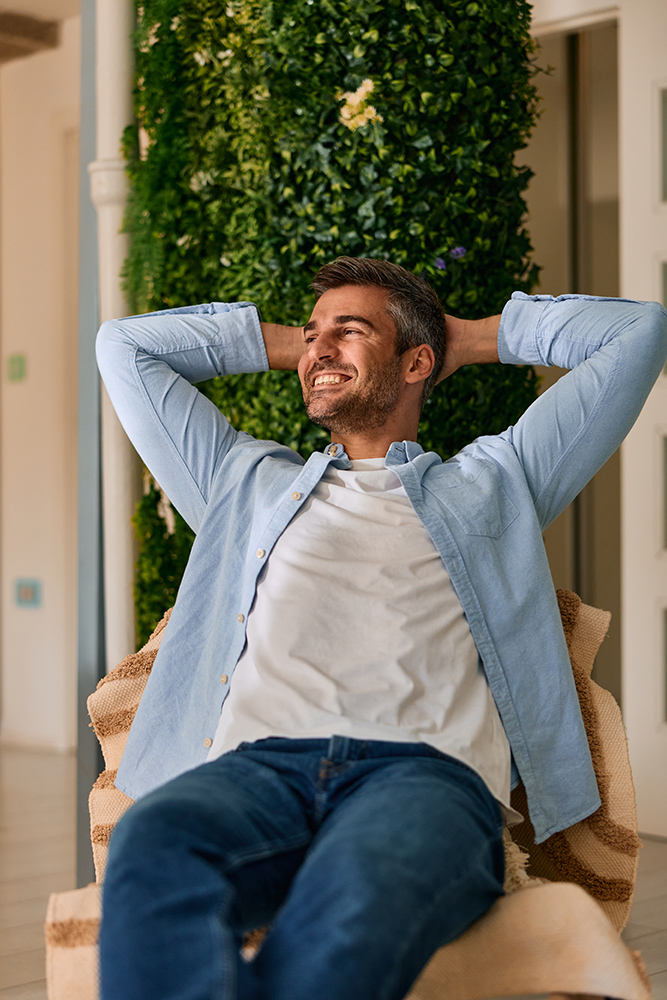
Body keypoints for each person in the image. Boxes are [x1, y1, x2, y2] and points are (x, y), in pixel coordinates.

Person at [96, 256, 667, 1000]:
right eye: (310, 335)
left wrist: (463, 338)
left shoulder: (497, 483)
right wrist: (303, 344)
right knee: (155, 845)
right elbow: (123, 347)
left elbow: (637, 332)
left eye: (350, 330)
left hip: (421, 777)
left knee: (354, 900)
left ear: (415, 363)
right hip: (256, 771)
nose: (318, 349)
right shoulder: (240, 483)